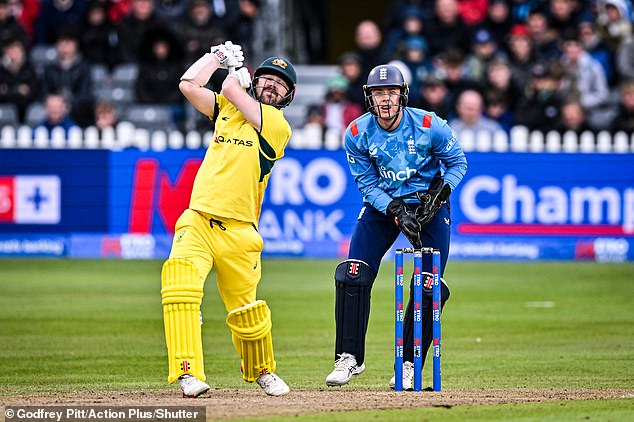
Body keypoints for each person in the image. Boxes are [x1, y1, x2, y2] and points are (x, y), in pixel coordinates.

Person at [161, 40, 296, 398]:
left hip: (240, 232)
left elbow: (232, 88)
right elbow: (188, 85)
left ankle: (262, 371)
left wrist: (234, 75)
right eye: (266, 79)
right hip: (198, 219)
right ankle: (188, 374)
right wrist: (215, 58)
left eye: (279, 84)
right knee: (180, 288)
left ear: (288, 95)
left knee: (246, 312)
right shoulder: (227, 107)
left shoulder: (277, 126)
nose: (271, 85)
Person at [325, 64, 467, 390]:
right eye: (378, 93)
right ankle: (349, 357)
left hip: (429, 205)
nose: (385, 100)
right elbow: (366, 183)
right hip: (384, 205)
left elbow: (458, 163)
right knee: (352, 274)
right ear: (369, 98)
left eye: (390, 93)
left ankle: (407, 363)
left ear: (402, 95)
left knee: (429, 284)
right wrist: (393, 208)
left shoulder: (431, 125)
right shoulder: (357, 134)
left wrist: (439, 194)